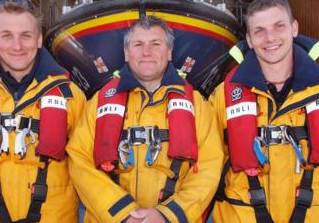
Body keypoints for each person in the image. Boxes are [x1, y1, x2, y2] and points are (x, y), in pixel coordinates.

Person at [67, 16, 224, 223]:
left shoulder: (197, 105)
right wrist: (122, 213)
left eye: (155, 44)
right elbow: (79, 160)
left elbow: (210, 166)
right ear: (126, 52)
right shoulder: (98, 103)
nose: (146, 52)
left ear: (169, 52)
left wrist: (168, 215)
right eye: (138, 44)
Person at [0, 0, 85, 222]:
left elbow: (83, 164)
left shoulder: (71, 96)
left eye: (26, 35)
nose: (17, 46)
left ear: (39, 39)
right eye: (6, 35)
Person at [209, 0, 319, 222]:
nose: (270, 38)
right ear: (250, 40)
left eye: (278, 26)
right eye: (259, 31)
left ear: (294, 28)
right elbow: (210, 164)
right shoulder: (221, 98)